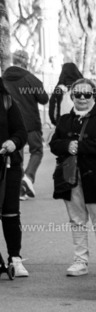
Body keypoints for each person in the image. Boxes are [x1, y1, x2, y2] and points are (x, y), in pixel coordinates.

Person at [50, 78, 96, 277]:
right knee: (77, 220)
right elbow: (54, 144)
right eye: (77, 94)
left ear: (93, 96)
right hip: (70, 177)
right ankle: (80, 260)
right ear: (72, 96)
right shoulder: (64, 120)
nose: (82, 98)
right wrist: (66, 145)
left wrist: (79, 146)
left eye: (87, 94)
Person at [2, 50, 49, 200]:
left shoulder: (3, 78)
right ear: (26, 61)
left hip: (11, 126)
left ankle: (20, 190)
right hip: (30, 123)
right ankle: (28, 177)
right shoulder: (30, 79)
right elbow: (43, 98)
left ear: (13, 60)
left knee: (18, 157)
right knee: (37, 150)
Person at [0, 78, 28, 276]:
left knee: (10, 212)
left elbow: (21, 132)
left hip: (8, 165)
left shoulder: (6, 100)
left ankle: (15, 258)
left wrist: (13, 142)